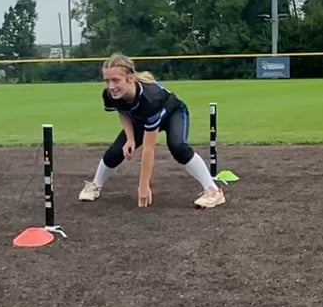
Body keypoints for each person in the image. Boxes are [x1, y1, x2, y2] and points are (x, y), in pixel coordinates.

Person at [78, 53, 226, 209]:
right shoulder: (110, 94)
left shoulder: (150, 98)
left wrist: (143, 185)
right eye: (107, 80)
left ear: (130, 78)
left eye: (116, 80)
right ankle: (95, 185)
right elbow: (122, 111)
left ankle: (213, 191)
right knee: (116, 151)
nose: (111, 86)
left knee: (178, 147)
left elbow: (149, 148)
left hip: (173, 113)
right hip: (144, 117)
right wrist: (130, 138)